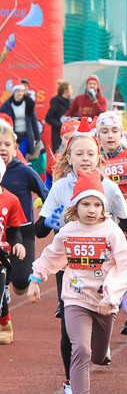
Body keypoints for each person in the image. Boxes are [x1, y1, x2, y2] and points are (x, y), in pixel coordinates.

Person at [26, 170, 127, 394]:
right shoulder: (68, 231)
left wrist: (111, 296)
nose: (92, 209)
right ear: (75, 206)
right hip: (74, 300)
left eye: (97, 204)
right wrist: (35, 279)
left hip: (103, 303)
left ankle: (103, 351)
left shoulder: (112, 231)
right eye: (86, 204)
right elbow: (51, 257)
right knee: (81, 350)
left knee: (97, 355)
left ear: (104, 207)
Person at [0, 125, 47, 298]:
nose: (2, 148)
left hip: (22, 229)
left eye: (7, 144)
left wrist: (45, 221)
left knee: (21, 284)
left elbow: (46, 195)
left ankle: (9, 280)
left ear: (15, 148)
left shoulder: (25, 171)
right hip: (0, 229)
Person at [0, 158, 27, 344]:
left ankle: (5, 324)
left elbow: (14, 229)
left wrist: (18, 243)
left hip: (1, 254)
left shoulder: (11, 199)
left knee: (0, 289)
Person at [95, 111, 127, 196]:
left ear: (121, 134)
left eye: (115, 131)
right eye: (104, 132)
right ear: (98, 136)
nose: (110, 135)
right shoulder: (95, 160)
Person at [0, 85, 40, 158]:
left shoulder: (28, 103)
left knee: (20, 155)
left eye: (22, 91)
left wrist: (37, 136)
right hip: (12, 135)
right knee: (11, 155)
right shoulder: (7, 105)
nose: (20, 93)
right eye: (18, 91)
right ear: (14, 92)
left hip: (25, 134)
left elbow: (34, 121)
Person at [44, 80, 73, 153]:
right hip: (58, 136)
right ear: (66, 91)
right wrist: (61, 126)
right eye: (70, 89)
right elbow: (48, 118)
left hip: (71, 133)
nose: (72, 91)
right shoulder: (56, 101)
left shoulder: (71, 101)